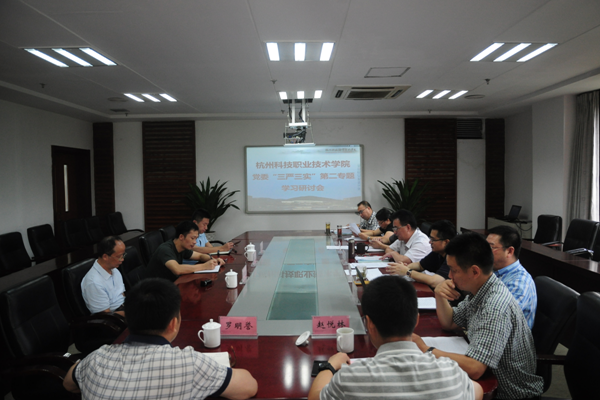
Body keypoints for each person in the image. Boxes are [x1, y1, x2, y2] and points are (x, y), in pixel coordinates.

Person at [63, 278, 258, 399]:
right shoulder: (188, 364)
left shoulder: (96, 358)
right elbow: (249, 387)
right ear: (173, 324)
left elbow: (68, 383)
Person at [308, 275, 482, 400]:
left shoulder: (350, 379)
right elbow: (478, 391)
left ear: (370, 324)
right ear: (416, 320)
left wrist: (330, 366)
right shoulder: (451, 372)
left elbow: (315, 396)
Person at [415, 232, 543, 400]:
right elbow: (450, 322)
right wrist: (439, 294)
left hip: (508, 392)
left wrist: (426, 350)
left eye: (454, 270)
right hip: (489, 381)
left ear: (475, 271)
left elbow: (475, 369)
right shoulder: (480, 289)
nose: (450, 276)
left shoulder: (495, 306)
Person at [487, 225, 537, 329]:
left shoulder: (518, 283)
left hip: (506, 337)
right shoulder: (493, 271)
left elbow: (497, 320)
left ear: (509, 251)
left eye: (491, 247)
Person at [140, 220, 219, 282]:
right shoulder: (165, 249)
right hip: (153, 291)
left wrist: (213, 260)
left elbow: (200, 256)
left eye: (196, 238)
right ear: (181, 237)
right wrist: (204, 266)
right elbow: (177, 269)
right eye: (192, 238)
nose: (195, 242)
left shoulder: (183, 247)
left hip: (169, 285)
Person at [386, 219, 456, 288]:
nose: (430, 242)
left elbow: (435, 281)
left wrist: (407, 271)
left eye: (433, 240)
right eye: (430, 238)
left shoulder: (454, 256)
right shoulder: (437, 252)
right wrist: (402, 268)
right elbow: (420, 265)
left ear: (446, 242)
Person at [81, 236, 126, 316]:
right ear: (105, 256)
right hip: (113, 318)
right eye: (119, 256)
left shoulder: (114, 270)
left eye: (123, 255)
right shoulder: (93, 282)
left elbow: (122, 296)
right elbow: (106, 315)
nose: (122, 259)